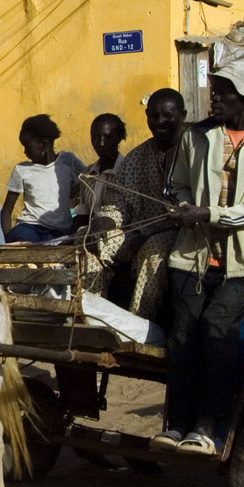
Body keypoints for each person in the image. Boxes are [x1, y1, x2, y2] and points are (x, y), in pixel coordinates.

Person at [156, 61, 244, 455]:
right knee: (184, 333)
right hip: (192, 256)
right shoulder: (198, 136)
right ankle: (178, 424)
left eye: (223, 91)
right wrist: (184, 206)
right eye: (214, 89)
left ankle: (210, 424)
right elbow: (178, 185)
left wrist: (208, 213)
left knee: (216, 328)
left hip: (243, 262)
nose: (214, 97)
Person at [82, 90, 185, 317]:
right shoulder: (138, 157)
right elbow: (119, 201)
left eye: (167, 116)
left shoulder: (195, 149)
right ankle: (92, 319)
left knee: (154, 249)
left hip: (185, 234)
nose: (159, 122)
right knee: (94, 244)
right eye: (153, 116)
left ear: (182, 115)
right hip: (141, 231)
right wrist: (105, 221)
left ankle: (138, 323)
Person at [1, 114, 85, 243]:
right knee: (23, 242)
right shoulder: (21, 170)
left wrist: (76, 189)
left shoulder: (68, 161)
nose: (25, 152)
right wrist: (8, 240)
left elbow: (90, 179)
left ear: (44, 144)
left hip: (59, 230)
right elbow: (7, 210)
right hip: (29, 227)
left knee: (52, 248)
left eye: (27, 146)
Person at [79, 112, 127, 218]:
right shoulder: (87, 174)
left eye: (107, 138)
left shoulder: (127, 171)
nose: (101, 144)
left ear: (118, 138)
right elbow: (84, 213)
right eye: (95, 138)